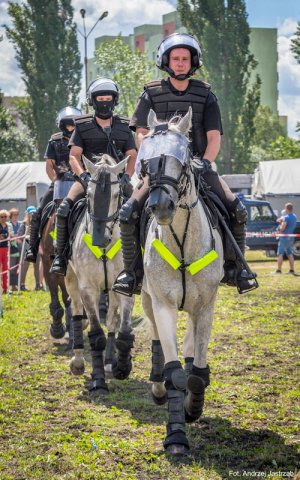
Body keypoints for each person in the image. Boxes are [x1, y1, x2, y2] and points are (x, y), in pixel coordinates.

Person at [113, 32, 257, 296]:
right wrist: (151, 155)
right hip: (158, 171)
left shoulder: (206, 96)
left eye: (185, 59)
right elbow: (141, 133)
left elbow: (214, 138)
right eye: (176, 58)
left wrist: (205, 162)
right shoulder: (150, 94)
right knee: (128, 212)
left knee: (236, 209)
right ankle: (131, 274)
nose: (180, 63)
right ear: (166, 61)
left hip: (199, 166)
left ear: (193, 63)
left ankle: (237, 269)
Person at [50, 77, 137, 275]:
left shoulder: (125, 126)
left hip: (118, 179)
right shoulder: (81, 125)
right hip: (89, 180)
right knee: (64, 209)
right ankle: (61, 257)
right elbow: (74, 155)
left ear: (114, 100)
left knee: (140, 208)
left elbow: (132, 154)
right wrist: (83, 176)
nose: (105, 102)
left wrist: (127, 176)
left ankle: (139, 259)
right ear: (92, 101)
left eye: (108, 98)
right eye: (100, 98)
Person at [25, 106, 82, 263]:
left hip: (80, 182)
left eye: (73, 124)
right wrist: (56, 181)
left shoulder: (84, 139)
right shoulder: (54, 140)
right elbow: (49, 165)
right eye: (68, 124)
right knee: (38, 212)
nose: (71, 127)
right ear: (62, 125)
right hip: (59, 182)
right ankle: (33, 247)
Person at [17, 206, 43, 291]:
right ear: (27, 213)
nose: (32, 214)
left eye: (34, 212)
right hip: (26, 249)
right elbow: (19, 238)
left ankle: (38, 285)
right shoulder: (24, 224)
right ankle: (22, 285)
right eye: (31, 213)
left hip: (36, 248)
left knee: (36, 267)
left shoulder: (38, 223)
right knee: (24, 268)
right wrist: (26, 240)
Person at [274, 203, 297, 274]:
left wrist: (279, 229)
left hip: (284, 237)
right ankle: (292, 270)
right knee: (290, 253)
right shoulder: (294, 216)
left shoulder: (285, 217)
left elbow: (283, 228)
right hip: (291, 237)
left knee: (280, 253)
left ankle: (278, 270)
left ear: (286, 208)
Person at [8, 208, 22, 291]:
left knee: (19, 266)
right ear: (11, 216)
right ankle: (12, 285)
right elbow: (10, 235)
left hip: (20, 247)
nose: (16, 216)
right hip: (12, 248)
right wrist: (16, 237)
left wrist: (16, 237)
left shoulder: (20, 224)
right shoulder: (8, 224)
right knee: (12, 267)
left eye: (17, 214)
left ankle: (18, 284)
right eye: (14, 215)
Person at [0, 209, 11, 294]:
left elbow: (12, 235)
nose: (3, 218)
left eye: (5, 216)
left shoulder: (8, 226)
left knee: (5, 268)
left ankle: (5, 287)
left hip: (6, 248)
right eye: (1, 217)